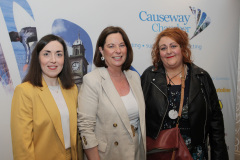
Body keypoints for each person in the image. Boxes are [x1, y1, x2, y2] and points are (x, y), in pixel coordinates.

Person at [141, 27, 228, 160]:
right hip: (159, 152)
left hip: (194, 153)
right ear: (158, 53)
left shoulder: (201, 77)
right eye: (163, 48)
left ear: (182, 48)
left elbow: (215, 123)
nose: (168, 51)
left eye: (173, 46)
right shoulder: (149, 76)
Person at [77, 26, 146, 160]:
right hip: (107, 155)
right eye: (111, 46)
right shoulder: (92, 80)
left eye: (121, 45)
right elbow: (85, 128)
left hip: (136, 152)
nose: (118, 51)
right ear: (101, 50)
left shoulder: (134, 77)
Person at [11, 34, 83, 160]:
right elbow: (22, 147)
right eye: (47, 54)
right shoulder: (24, 92)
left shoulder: (72, 89)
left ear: (64, 59)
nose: (53, 60)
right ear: (38, 58)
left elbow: (77, 136)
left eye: (59, 54)